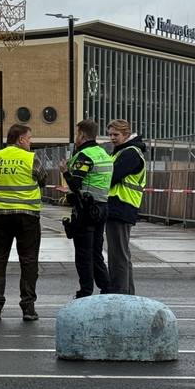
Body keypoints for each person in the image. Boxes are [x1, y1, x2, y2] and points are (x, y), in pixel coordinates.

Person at [0, 123, 47, 321]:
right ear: (21, 139)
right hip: (27, 216)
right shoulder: (31, 158)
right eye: (29, 139)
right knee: (28, 260)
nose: (30, 143)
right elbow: (43, 179)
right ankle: (28, 307)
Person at [63, 119, 113, 298]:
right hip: (102, 207)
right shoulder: (103, 153)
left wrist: (65, 172)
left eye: (77, 134)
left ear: (82, 135)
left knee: (83, 254)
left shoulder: (85, 156)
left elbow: (75, 184)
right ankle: (106, 288)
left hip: (86, 210)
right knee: (96, 252)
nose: (76, 137)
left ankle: (85, 292)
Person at [106, 119, 146, 295]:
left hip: (121, 206)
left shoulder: (130, 153)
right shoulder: (120, 152)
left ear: (126, 135)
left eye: (116, 135)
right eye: (110, 134)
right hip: (119, 207)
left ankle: (120, 294)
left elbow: (110, 177)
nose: (112, 138)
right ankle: (126, 293)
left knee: (118, 256)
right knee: (121, 254)